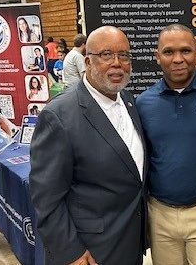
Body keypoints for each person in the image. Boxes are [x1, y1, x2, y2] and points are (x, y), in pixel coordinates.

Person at [29, 26, 147, 265]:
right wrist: (70, 253)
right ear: (87, 61)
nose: (117, 63)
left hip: (129, 241)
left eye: (124, 55)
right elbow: (46, 197)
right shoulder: (59, 116)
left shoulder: (128, 100)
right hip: (90, 252)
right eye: (106, 55)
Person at [136, 24, 196, 265]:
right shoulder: (143, 103)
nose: (178, 59)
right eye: (168, 52)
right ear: (157, 57)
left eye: (186, 51)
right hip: (160, 214)